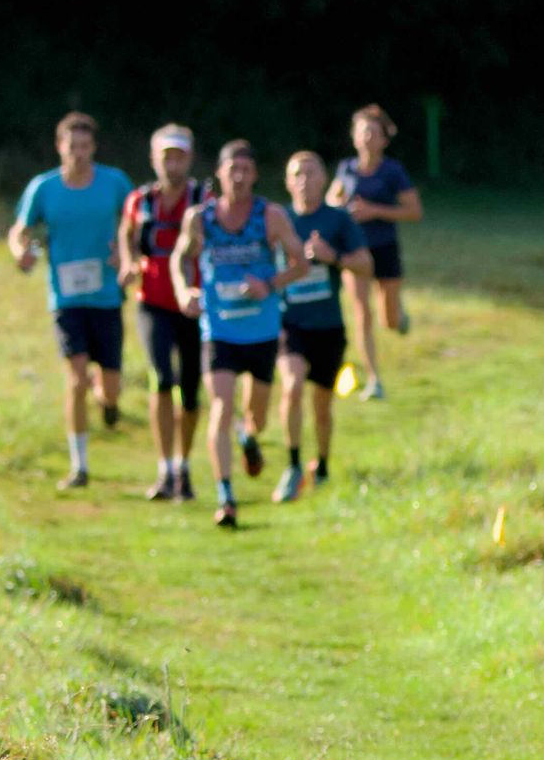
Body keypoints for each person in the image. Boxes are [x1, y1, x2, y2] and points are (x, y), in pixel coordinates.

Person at [173, 139, 298, 529]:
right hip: (219, 329)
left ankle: (249, 435)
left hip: (261, 329)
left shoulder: (270, 216)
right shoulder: (200, 218)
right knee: (221, 407)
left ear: (255, 175)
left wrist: (269, 284)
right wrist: (184, 290)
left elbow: (300, 262)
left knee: (256, 415)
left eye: (246, 170)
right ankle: (226, 496)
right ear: (220, 174)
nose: (239, 177)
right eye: (232, 171)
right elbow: (180, 257)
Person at [4, 110, 133, 486]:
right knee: (75, 380)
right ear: (59, 147)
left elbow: (136, 224)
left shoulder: (114, 183)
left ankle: (107, 401)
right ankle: (80, 467)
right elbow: (20, 229)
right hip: (65, 298)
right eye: (72, 146)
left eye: (85, 146)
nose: (79, 153)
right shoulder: (44, 188)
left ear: (94, 148)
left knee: (111, 386)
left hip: (107, 296)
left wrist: (126, 253)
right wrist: (20, 252)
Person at [270, 149, 360, 498]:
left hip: (328, 326)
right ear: (287, 181)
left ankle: (321, 465)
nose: (305, 180)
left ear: (324, 179)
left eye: (311, 173)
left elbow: (366, 264)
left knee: (322, 406)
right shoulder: (278, 220)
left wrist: (331, 257)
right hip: (290, 323)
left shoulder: (338, 220)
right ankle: (293, 465)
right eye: (298, 174)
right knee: (292, 386)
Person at [119, 125, 202, 502]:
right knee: (162, 378)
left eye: (179, 156)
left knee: (191, 390)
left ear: (190, 159)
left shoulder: (203, 200)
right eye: (166, 156)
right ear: (154, 159)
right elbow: (126, 235)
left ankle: (184, 466)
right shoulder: (140, 200)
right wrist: (129, 262)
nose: (173, 164)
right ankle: (164, 468)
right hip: (152, 300)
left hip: (193, 304)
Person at [331, 102, 422, 396]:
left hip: (384, 247)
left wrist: (375, 211)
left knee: (389, 320)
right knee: (362, 313)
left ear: (384, 140)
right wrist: (342, 209)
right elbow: (331, 202)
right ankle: (374, 380)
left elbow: (414, 211)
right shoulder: (346, 169)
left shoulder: (392, 171)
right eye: (362, 132)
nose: (367, 138)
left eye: (373, 133)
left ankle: (399, 316)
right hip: (354, 250)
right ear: (354, 137)